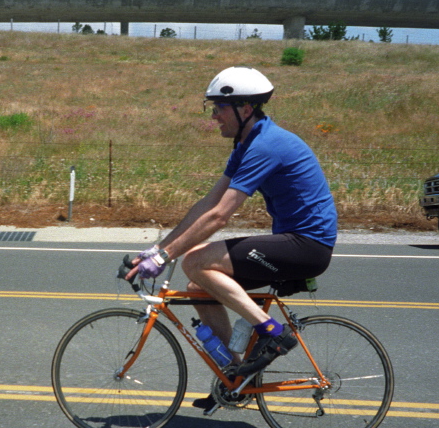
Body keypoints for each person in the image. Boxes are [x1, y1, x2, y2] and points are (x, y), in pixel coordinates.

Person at [124, 66, 338, 409]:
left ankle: (273, 334)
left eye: (219, 108)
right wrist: (158, 249)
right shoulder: (247, 143)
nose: (214, 116)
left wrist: (166, 259)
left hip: (307, 246)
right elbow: (207, 204)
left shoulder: (267, 145)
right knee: (198, 286)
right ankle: (236, 379)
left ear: (245, 108)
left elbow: (221, 215)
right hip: (293, 241)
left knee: (196, 260)